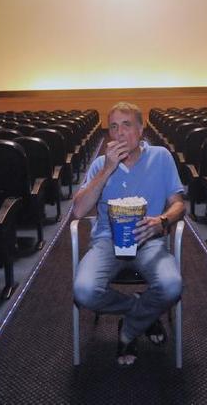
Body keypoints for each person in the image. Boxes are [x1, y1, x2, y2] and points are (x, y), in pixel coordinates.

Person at [72, 101, 185, 367]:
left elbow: (179, 203)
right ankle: (143, 310)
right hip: (106, 242)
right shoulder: (101, 163)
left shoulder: (160, 157)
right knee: (84, 291)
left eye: (127, 125)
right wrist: (108, 169)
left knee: (171, 286)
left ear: (141, 128)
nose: (120, 133)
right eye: (113, 127)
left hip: (150, 240)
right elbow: (78, 211)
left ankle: (130, 328)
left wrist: (162, 220)